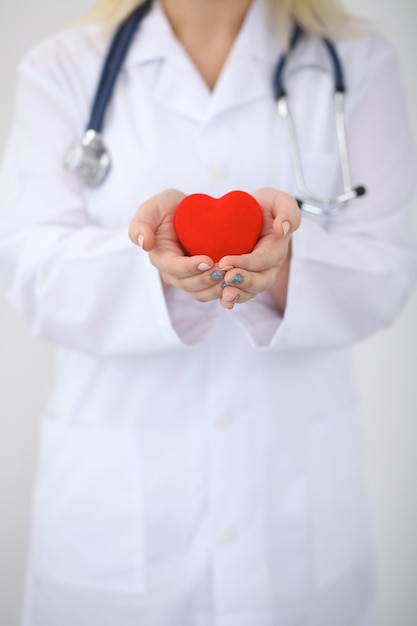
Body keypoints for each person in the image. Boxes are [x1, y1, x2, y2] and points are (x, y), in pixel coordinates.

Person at [0, 0, 416, 624]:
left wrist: (283, 263)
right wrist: (161, 267)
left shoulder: (359, 62)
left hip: (296, 517)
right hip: (113, 527)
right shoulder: (62, 67)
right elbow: (32, 274)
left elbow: (388, 270)